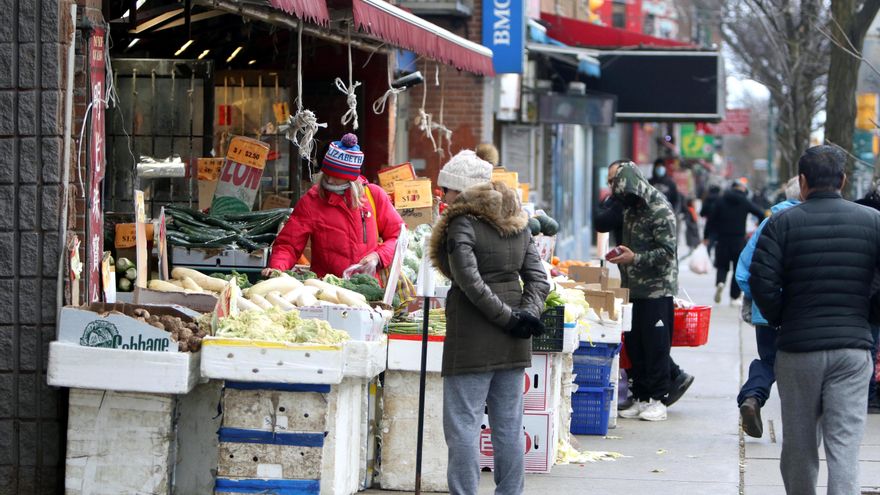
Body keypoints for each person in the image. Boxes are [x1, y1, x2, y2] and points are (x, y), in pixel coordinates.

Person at [750, 145, 880, 495]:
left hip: (798, 349)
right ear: (843, 179)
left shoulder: (781, 223)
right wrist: (869, 318)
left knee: (799, 444)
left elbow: (761, 282)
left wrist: (782, 318)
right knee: (845, 447)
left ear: (803, 181)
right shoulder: (873, 222)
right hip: (852, 351)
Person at [429, 149, 550, 495]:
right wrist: (525, 316)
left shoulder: (462, 223)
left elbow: (468, 281)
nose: (443, 196)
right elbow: (539, 280)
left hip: (471, 340)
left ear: (464, 190)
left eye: (448, 190)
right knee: (509, 426)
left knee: (463, 426)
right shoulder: (518, 220)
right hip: (513, 342)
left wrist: (511, 318)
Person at [606, 160, 693, 422]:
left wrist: (635, 258)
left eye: (616, 185)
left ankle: (658, 399)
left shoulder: (659, 208)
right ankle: (642, 397)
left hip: (656, 290)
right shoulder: (631, 207)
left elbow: (667, 253)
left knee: (656, 347)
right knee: (636, 345)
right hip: (633, 288)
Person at [265, 133, 403, 278]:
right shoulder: (312, 201)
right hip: (328, 290)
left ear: (350, 178)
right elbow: (288, 245)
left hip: (369, 289)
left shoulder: (374, 196)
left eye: (336, 176)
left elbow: (399, 237)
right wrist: (277, 268)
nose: (329, 180)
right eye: (327, 173)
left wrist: (378, 256)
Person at [733, 177, 800, 438]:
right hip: (802, 312)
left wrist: (761, 298)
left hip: (766, 312)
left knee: (769, 361)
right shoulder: (807, 223)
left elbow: (743, 272)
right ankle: (798, 428)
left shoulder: (768, 222)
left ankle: (752, 396)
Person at [708, 178, 766, 305]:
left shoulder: (720, 200)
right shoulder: (744, 201)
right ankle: (734, 297)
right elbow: (760, 213)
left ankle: (720, 283)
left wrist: (708, 236)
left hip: (722, 239)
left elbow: (711, 219)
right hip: (738, 239)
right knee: (736, 268)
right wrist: (758, 227)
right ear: (742, 189)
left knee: (722, 266)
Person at [855, 179, 880, 414]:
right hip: (872, 297)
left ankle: (867, 394)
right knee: (872, 346)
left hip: (856, 295)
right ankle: (871, 396)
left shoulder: (855, 213)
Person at [700, 184, 722, 256]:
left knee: (709, 243)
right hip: (720, 224)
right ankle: (716, 260)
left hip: (710, 224)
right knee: (719, 244)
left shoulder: (708, 199)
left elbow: (702, 213)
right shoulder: (721, 199)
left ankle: (707, 258)